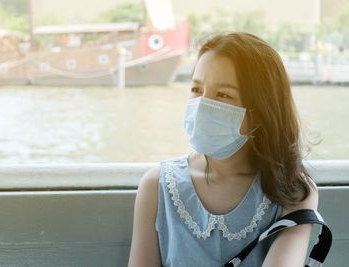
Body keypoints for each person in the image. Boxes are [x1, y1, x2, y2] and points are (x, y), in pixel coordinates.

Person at [128, 32, 318, 267]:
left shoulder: (293, 190)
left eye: (223, 94)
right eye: (197, 90)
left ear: (261, 110)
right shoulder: (156, 185)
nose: (202, 106)